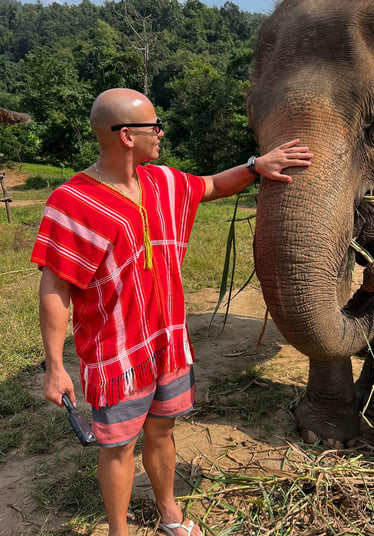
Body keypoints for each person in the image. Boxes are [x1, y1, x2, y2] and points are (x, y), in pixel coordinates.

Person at [31, 88, 313, 536]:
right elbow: (55, 288)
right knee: (119, 448)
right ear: (126, 135)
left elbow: (213, 185)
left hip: (166, 342)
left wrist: (257, 166)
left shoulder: (161, 181)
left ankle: (169, 514)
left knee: (162, 432)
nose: (161, 133)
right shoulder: (73, 202)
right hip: (116, 356)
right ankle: (118, 531)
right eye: (154, 126)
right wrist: (54, 366)